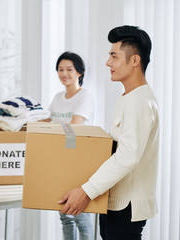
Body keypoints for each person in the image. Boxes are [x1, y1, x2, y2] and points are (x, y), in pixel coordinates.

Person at [58, 25, 159, 240]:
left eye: (114, 56)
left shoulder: (140, 101)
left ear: (134, 60)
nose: (107, 63)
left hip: (126, 205)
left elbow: (126, 156)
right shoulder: (129, 97)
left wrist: (86, 191)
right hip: (116, 200)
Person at [42, 51, 95, 240]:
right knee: (64, 214)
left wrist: (51, 130)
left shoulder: (85, 96)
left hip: (78, 160)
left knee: (80, 214)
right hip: (60, 159)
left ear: (79, 72)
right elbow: (45, 122)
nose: (64, 73)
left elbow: (74, 127)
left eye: (69, 69)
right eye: (60, 69)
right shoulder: (58, 97)